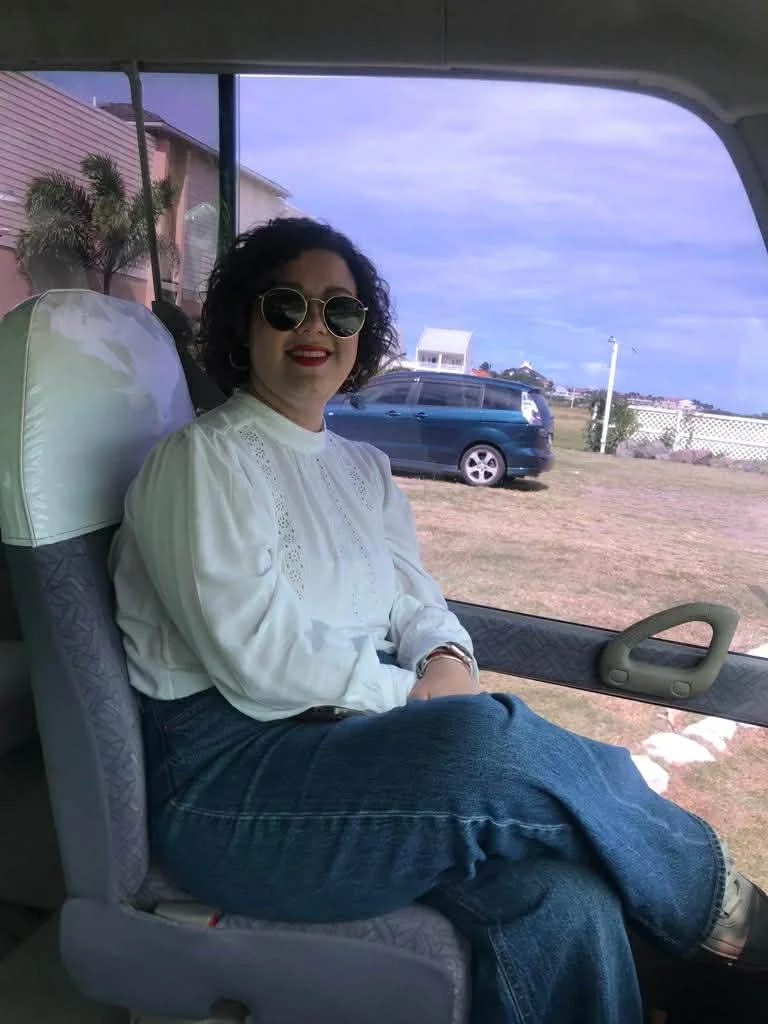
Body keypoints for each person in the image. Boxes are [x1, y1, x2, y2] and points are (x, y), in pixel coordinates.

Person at [109, 217, 768, 1024]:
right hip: (228, 787)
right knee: (481, 741)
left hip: (347, 754)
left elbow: (414, 599)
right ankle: (730, 914)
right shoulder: (200, 462)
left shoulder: (363, 469)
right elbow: (260, 658)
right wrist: (423, 705)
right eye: (287, 307)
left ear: (362, 334)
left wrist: (445, 656)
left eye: (340, 312)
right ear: (245, 326)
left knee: (560, 899)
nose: (316, 328)